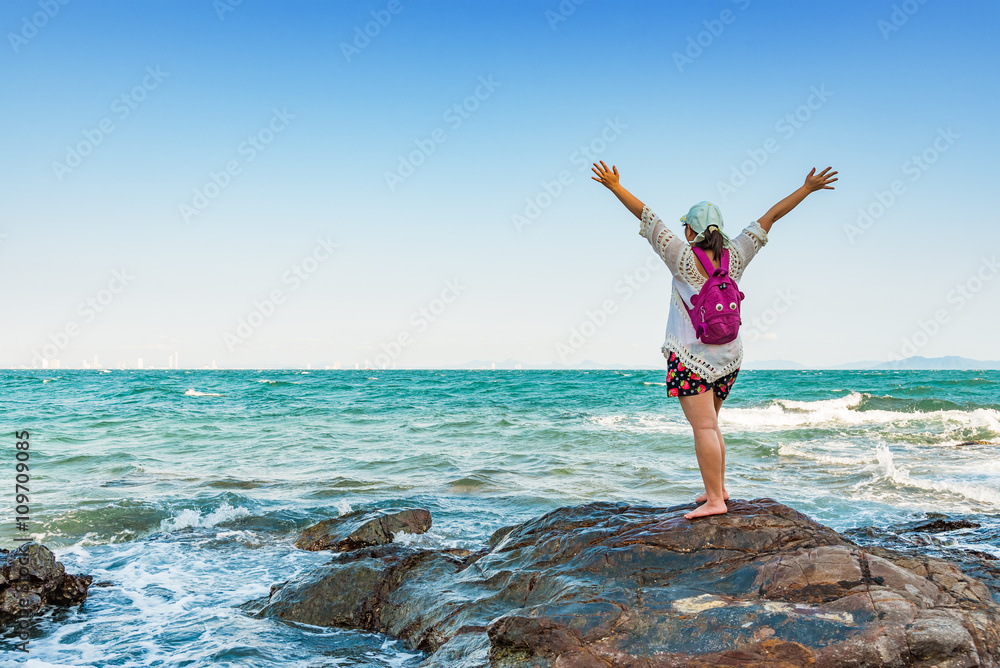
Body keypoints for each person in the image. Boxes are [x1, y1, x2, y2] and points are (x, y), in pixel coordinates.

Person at [592, 161, 838, 519]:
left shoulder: (679, 253)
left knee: (704, 427)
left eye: (684, 227)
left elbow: (646, 216)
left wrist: (615, 186)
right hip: (730, 357)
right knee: (711, 425)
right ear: (719, 230)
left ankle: (715, 501)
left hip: (691, 356)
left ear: (690, 230)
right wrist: (807, 188)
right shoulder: (737, 252)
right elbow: (771, 216)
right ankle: (718, 488)